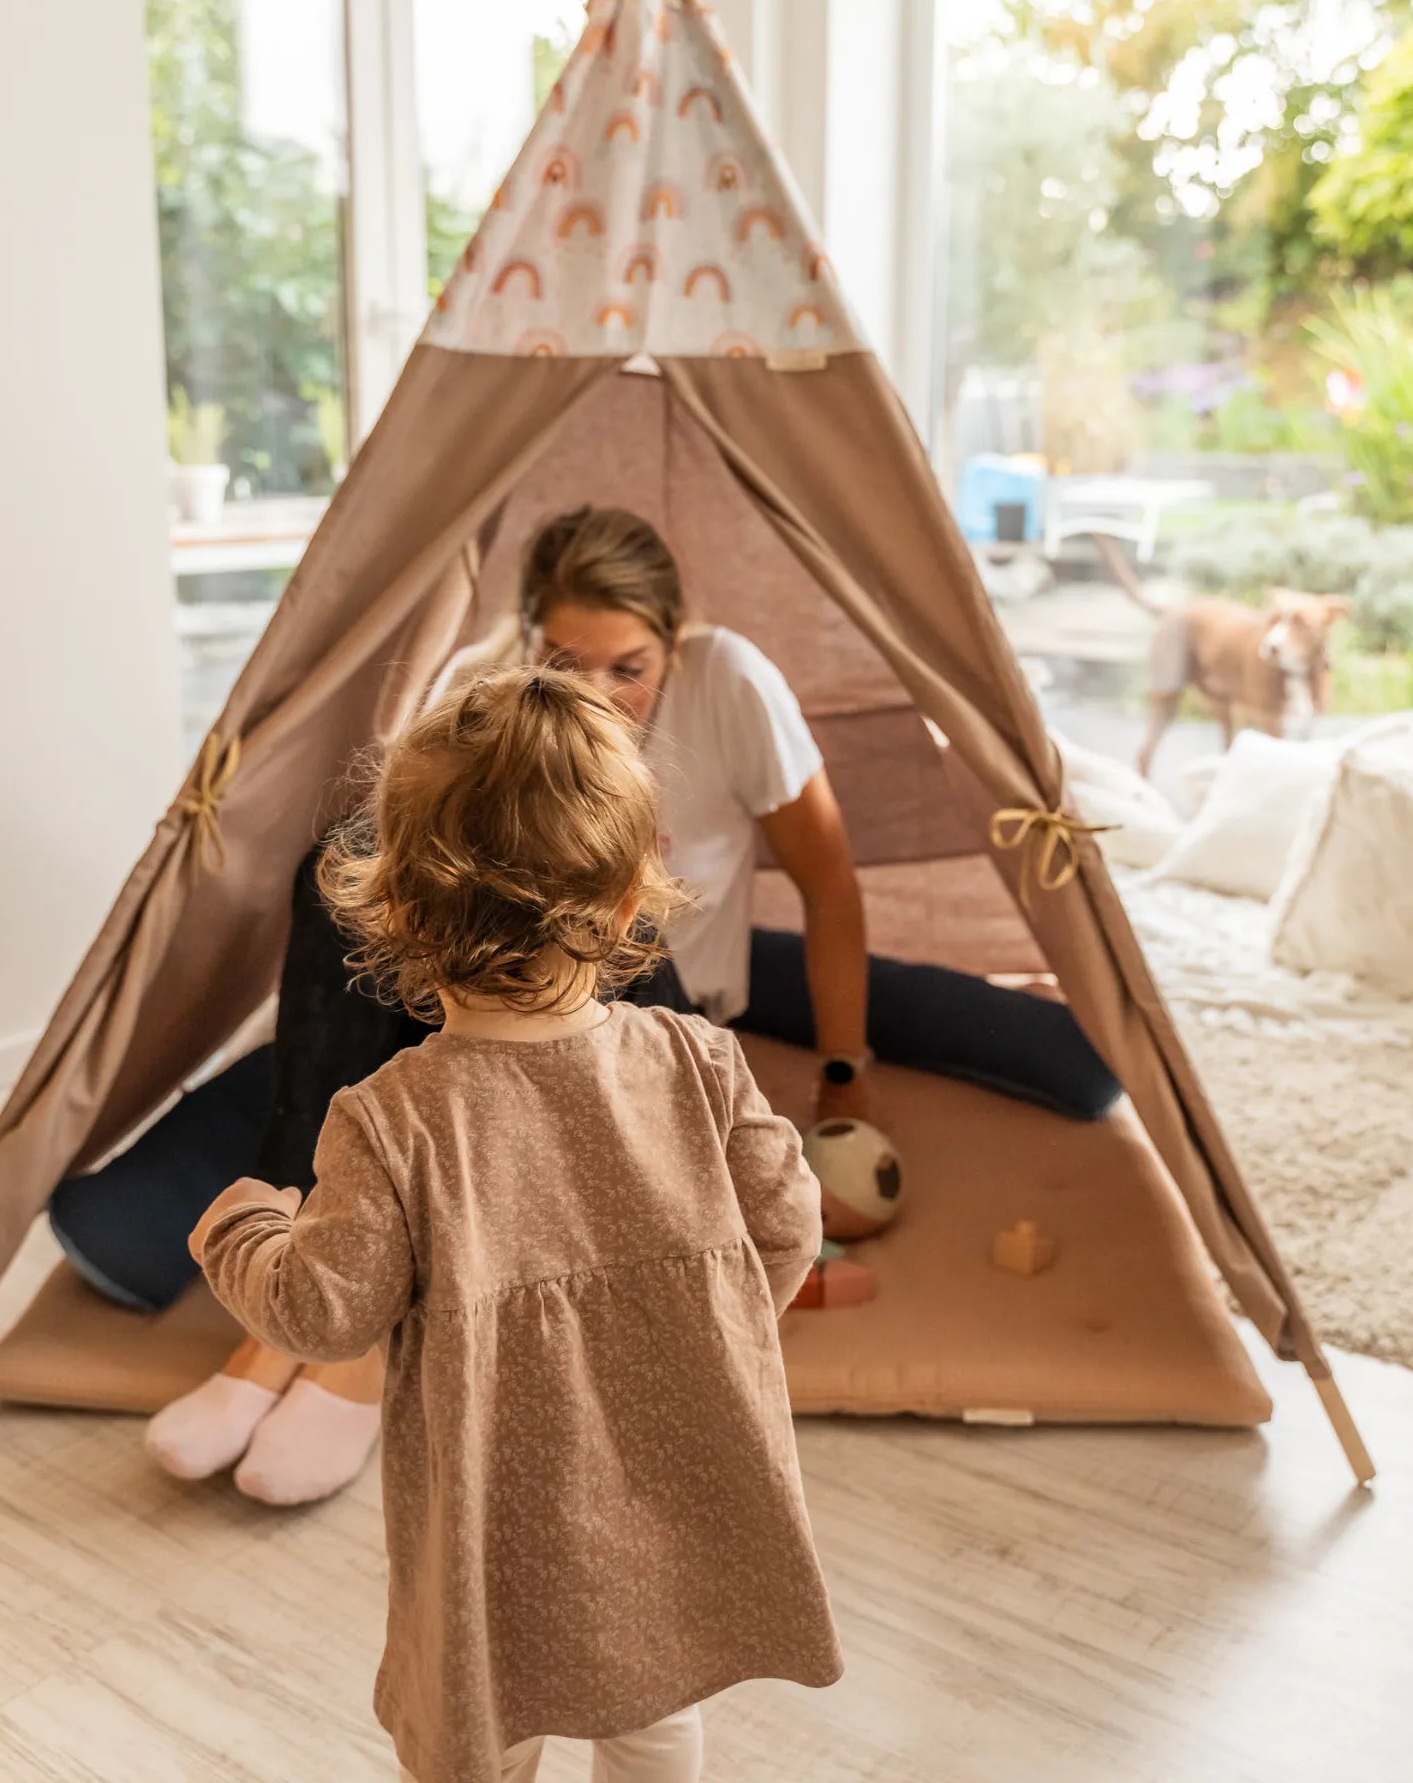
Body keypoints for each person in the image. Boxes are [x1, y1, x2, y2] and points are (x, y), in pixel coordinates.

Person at [136, 506, 884, 1504]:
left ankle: (346, 1341)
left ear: (675, 638)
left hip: (625, 983)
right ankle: (300, 1289)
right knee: (343, 859)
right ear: (531, 638)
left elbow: (830, 883)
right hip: (476, 987)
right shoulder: (489, 695)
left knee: (526, 978)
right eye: (568, 661)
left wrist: (843, 1076)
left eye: (628, 666)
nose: (602, 694)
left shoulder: (732, 682)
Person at [189, 665, 843, 1783]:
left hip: (500, 1523)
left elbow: (322, 1309)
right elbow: (786, 1226)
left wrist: (242, 1224)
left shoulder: (392, 1117)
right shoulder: (697, 1059)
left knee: (480, 1726)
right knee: (654, 1708)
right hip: (675, 1488)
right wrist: (701, 1329)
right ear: (635, 892)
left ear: (388, 901)